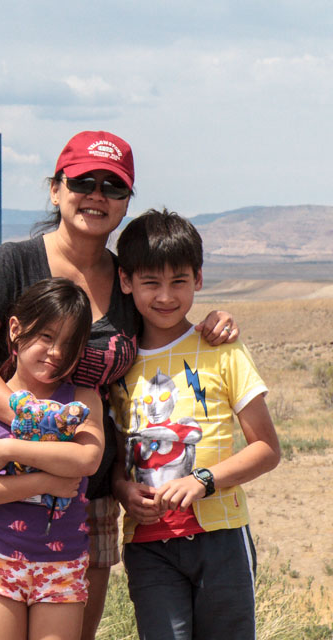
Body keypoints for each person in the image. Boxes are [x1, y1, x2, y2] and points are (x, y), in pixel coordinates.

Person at [0, 130, 239, 640]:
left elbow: (168, 327)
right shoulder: (15, 263)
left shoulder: (128, 279)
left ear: (126, 200)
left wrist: (214, 324)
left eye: (113, 186)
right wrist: (35, 426)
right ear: (56, 188)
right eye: (83, 182)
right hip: (3, 479)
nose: (96, 195)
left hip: (92, 486)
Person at [110, 209, 281, 640]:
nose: (166, 296)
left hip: (221, 536)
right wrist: (123, 490)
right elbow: (115, 457)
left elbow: (266, 449)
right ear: (126, 281)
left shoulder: (223, 350)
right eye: (151, 282)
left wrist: (203, 480)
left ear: (199, 279)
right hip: (148, 545)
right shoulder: (117, 365)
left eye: (179, 281)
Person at [0, 277, 105, 640]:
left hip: (62, 564)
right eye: (47, 337)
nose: (56, 352)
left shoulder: (82, 400)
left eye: (69, 344)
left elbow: (87, 459)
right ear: (16, 330)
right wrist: (46, 482)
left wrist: (10, 449)